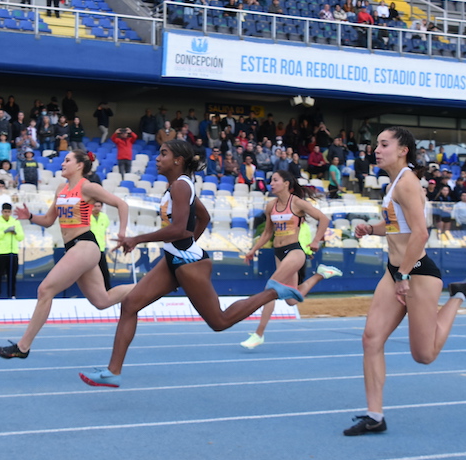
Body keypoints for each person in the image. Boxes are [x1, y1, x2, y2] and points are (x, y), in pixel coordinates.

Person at [79, 140, 310, 389]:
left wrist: (139, 239)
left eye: (163, 154)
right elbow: (203, 217)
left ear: (178, 160)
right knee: (130, 304)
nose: (157, 158)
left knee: (219, 322)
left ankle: (273, 292)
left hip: (188, 263)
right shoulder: (177, 186)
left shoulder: (180, 186)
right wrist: (187, 244)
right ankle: (113, 371)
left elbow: (179, 228)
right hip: (174, 258)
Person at [343, 127, 466, 436]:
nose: (376, 149)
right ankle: (374, 415)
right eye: (376, 144)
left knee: (424, 355)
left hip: (416, 272)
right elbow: (396, 226)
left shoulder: (406, 183)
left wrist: (404, 274)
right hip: (395, 271)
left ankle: (458, 295)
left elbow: (420, 234)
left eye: (384, 144)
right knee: (371, 339)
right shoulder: (393, 184)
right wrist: (372, 229)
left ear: (403, 149)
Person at [0, 150, 132, 359]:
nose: (63, 163)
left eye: (67, 160)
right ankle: (151, 285)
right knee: (102, 301)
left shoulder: (88, 187)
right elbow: (49, 220)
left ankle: (23, 347)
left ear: (79, 165)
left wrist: (122, 233)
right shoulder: (61, 188)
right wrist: (29, 216)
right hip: (74, 247)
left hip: (85, 244)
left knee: (45, 289)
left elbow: (122, 204)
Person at [240, 170, 341, 349]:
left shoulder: (297, 203)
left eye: (275, 180)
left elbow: (323, 218)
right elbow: (267, 233)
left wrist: (316, 240)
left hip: (295, 252)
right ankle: (320, 275)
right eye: (271, 180)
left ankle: (259, 334)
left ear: (286, 183)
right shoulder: (270, 205)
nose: (271, 183)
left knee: (270, 288)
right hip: (278, 252)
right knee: (291, 300)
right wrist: (253, 250)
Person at [0, 202, 24, 299]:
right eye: (5, 212)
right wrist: (4, 231)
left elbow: (21, 237)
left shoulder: (15, 222)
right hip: (0, 253)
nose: (7, 214)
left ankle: (12, 295)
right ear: (2, 211)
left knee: (12, 276)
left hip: (12, 253)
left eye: (9, 212)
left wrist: (15, 232)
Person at [90, 199, 112, 290]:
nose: (97, 208)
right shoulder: (87, 216)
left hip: (100, 248)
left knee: (104, 272)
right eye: (95, 206)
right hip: (89, 248)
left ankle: (107, 291)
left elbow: (106, 227)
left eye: (99, 206)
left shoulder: (104, 217)